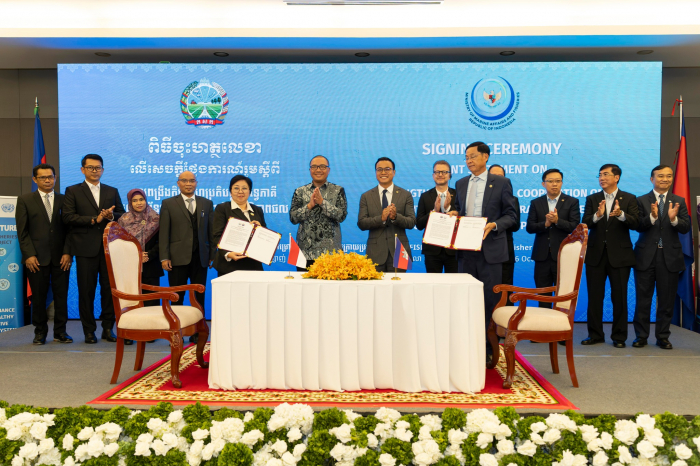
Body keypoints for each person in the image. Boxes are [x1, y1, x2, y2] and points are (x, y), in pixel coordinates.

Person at [453, 142, 518, 362]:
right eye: (466, 157)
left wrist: (495, 225)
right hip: (466, 250)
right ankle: (469, 345)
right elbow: (460, 210)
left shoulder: (501, 183)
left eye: (472, 156)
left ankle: (490, 348)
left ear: (485, 157)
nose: (469, 160)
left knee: (491, 300)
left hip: (491, 250)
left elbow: (511, 216)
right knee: (467, 299)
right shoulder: (461, 183)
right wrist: (453, 215)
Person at [63, 154, 125, 344]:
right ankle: (89, 331)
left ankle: (108, 328)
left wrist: (111, 216)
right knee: (86, 291)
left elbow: (122, 215)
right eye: (90, 167)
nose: (94, 171)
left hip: (109, 249)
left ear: (103, 170)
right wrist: (94, 219)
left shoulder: (111, 191)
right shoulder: (73, 190)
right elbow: (68, 217)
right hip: (85, 249)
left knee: (109, 290)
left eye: (98, 168)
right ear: (82, 169)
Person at [632, 165, 690, 350]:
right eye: (661, 176)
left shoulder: (679, 200)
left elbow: (685, 227)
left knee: (666, 301)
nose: (665, 179)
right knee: (643, 300)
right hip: (645, 257)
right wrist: (652, 217)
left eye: (669, 176)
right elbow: (637, 226)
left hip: (669, 258)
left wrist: (673, 219)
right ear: (652, 179)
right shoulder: (641, 200)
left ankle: (663, 337)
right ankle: (641, 336)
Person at [582, 164, 639, 348]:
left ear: (617, 177)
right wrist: (597, 215)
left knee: (619, 298)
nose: (602, 178)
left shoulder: (629, 198)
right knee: (594, 297)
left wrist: (621, 214)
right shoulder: (592, 198)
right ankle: (595, 335)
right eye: (600, 175)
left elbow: (636, 223)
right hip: (595, 255)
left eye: (606, 174)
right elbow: (584, 224)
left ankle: (619, 337)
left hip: (620, 256)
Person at [16, 163, 73, 345]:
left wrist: (67, 252)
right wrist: (29, 255)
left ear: (55, 178)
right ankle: (40, 332)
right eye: (43, 177)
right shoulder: (25, 200)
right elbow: (22, 232)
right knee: (39, 297)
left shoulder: (65, 200)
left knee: (61, 296)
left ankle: (60, 332)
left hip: (61, 258)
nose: (47, 180)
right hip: (36, 259)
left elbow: (70, 230)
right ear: (35, 179)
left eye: (50, 177)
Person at [159, 171, 214, 343]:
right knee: (177, 297)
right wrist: (164, 257)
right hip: (177, 258)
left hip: (200, 258)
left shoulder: (206, 203)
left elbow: (211, 231)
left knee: (199, 297)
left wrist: (212, 254)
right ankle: (177, 333)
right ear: (178, 183)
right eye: (184, 181)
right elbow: (164, 232)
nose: (188, 184)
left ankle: (198, 331)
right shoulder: (168, 203)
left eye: (192, 181)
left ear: (196, 183)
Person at [526, 168, 580, 308]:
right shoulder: (536, 203)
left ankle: (561, 321)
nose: (554, 184)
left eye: (558, 181)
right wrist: (545, 224)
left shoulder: (572, 202)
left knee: (563, 296)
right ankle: (544, 321)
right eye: (550, 181)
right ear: (543, 184)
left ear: (562, 183)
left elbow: (575, 227)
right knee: (543, 296)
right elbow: (530, 227)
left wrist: (557, 221)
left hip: (563, 256)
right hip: (542, 256)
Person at [358, 157, 416, 272]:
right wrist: (381, 218)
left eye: (387, 169)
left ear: (394, 172)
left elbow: (411, 222)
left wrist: (395, 217)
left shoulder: (405, 195)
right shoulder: (366, 196)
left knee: (400, 284)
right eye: (379, 169)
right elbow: (362, 223)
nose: (383, 172)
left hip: (399, 252)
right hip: (375, 253)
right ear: (376, 172)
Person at [289, 155, 348, 270]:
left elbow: (341, 216)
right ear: (310, 170)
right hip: (306, 253)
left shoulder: (338, 190)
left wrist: (322, 203)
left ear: (328, 170)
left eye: (322, 166)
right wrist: (309, 206)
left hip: (331, 253)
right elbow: (293, 218)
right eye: (314, 167)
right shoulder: (300, 191)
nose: (318, 170)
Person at [213, 175, 267, 276]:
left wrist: (260, 230)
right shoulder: (222, 208)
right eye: (236, 188)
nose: (240, 191)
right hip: (229, 265)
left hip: (253, 264)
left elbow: (265, 238)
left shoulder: (257, 210)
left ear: (250, 191)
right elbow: (216, 235)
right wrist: (228, 253)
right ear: (230, 191)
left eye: (244, 188)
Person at [118, 189, 163, 309]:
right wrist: (134, 255)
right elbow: (120, 243)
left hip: (150, 266)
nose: (139, 203)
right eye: (135, 200)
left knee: (151, 304)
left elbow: (162, 242)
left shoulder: (156, 219)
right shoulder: (123, 220)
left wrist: (148, 255)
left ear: (145, 200)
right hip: (130, 266)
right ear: (130, 202)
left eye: (141, 199)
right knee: (132, 303)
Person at [416, 160, 458, 273]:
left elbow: (462, 219)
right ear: (433, 175)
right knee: (433, 282)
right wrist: (434, 211)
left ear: (450, 175)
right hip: (432, 250)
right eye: (437, 172)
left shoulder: (458, 195)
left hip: (453, 250)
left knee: (454, 282)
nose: (440, 175)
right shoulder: (425, 196)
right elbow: (419, 224)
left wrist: (448, 209)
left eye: (444, 172)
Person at [488, 164, 521, 301]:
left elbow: (515, 225)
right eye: (493, 176)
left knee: (506, 290)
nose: (497, 179)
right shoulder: (479, 200)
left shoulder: (513, 200)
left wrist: (498, 223)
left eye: (500, 176)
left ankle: (506, 315)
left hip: (505, 250)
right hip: (484, 251)